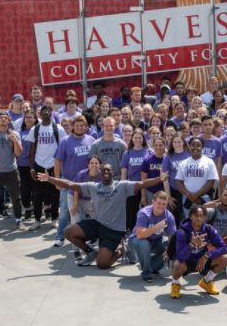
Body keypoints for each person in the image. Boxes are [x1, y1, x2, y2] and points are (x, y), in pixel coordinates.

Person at [37, 164, 167, 268]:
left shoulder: (122, 186)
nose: (106, 173)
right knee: (68, 232)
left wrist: (159, 179)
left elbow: (142, 184)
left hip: (114, 231)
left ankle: (123, 250)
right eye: (103, 171)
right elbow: (71, 184)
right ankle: (90, 252)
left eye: (108, 171)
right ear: (100, 173)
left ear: (112, 173)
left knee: (102, 264)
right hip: (98, 225)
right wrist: (49, 179)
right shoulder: (93, 187)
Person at [169, 204, 227, 299]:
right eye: (196, 215)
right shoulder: (182, 231)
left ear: (205, 218)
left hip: (201, 260)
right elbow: (180, 257)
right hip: (186, 262)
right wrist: (191, 245)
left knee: (224, 259)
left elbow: (223, 247)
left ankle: (206, 281)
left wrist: (207, 255)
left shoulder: (209, 229)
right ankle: (175, 284)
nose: (199, 218)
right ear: (191, 216)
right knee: (177, 264)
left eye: (202, 216)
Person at [53, 115, 95, 246]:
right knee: (65, 211)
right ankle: (60, 236)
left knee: (89, 211)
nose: (80, 127)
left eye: (82, 125)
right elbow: (57, 160)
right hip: (68, 182)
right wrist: (57, 180)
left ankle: (84, 237)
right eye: (77, 125)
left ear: (86, 126)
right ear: (72, 126)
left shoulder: (91, 140)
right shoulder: (65, 141)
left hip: (86, 184)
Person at [26, 105, 66, 231]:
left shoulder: (58, 129)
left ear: (52, 113)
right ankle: (37, 220)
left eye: (49, 111)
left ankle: (54, 219)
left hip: (53, 166)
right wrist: (32, 167)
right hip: (39, 165)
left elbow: (62, 148)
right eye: (44, 111)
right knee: (37, 195)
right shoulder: (35, 129)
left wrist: (60, 168)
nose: (47, 113)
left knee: (55, 194)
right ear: (40, 114)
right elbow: (31, 149)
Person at [129, 191, 177, 282]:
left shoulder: (169, 216)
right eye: (158, 203)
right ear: (153, 202)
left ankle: (150, 266)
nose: (161, 206)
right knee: (144, 243)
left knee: (170, 244)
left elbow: (172, 237)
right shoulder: (143, 213)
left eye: (164, 204)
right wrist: (156, 227)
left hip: (156, 241)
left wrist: (170, 251)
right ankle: (146, 273)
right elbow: (140, 235)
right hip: (137, 241)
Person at [175, 137, 219, 218]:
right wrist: (189, 195)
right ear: (189, 147)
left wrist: (197, 195)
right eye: (193, 145)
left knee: (204, 222)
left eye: (198, 145)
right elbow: (178, 181)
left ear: (202, 147)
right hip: (188, 199)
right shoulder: (183, 163)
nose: (195, 147)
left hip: (204, 199)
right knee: (188, 222)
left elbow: (211, 181)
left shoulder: (209, 162)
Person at [162, 134, 191, 224]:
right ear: (172, 143)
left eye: (179, 142)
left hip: (187, 190)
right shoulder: (168, 156)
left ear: (183, 143)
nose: (177, 144)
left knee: (187, 214)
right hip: (174, 190)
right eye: (174, 142)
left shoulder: (189, 154)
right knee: (176, 216)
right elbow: (165, 178)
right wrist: (168, 197)